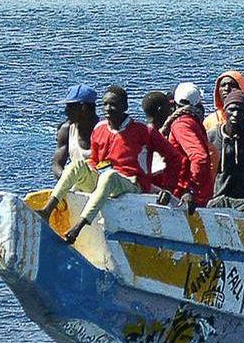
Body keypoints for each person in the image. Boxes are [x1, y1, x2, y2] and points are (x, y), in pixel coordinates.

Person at [42, 85, 182, 244]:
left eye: (113, 104)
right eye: (105, 104)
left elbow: (174, 159)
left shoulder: (143, 131)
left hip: (132, 183)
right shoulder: (99, 129)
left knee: (110, 176)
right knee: (76, 166)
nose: (108, 108)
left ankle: (79, 227)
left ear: (125, 107)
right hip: (104, 180)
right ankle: (47, 211)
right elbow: (95, 161)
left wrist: (169, 188)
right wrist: (84, 176)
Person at [160, 82, 216, 208]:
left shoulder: (181, 124)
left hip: (187, 198)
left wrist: (190, 190)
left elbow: (200, 158)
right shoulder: (193, 121)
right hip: (198, 193)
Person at [207, 91, 244, 203]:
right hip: (218, 198)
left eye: (240, 110)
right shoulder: (212, 137)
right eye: (232, 110)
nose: (236, 114)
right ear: (224, 111)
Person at [53, 84, 97, 180]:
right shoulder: (66, 130)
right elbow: (57, 165)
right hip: (77, 183)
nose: (66, 111)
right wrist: (68, 181)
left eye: (70, 107)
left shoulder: (104, 129)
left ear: (83, 107)